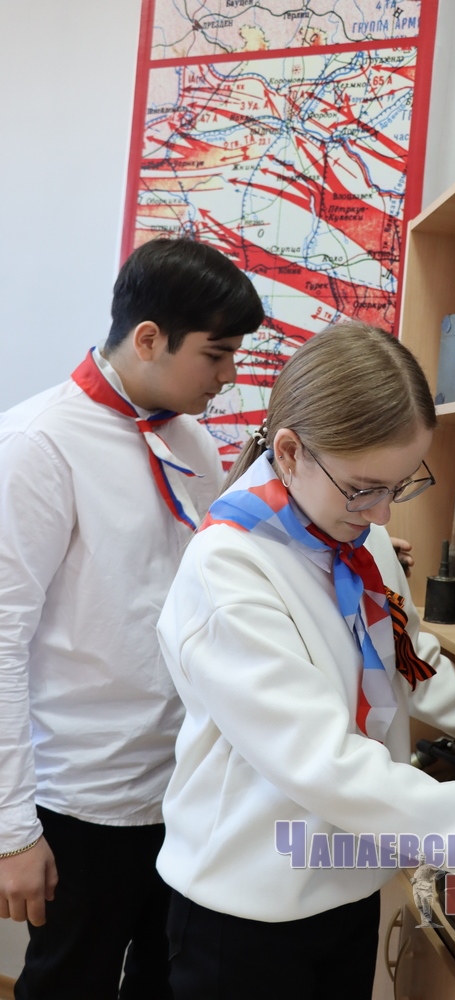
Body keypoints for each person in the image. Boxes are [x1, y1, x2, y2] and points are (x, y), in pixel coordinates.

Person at [154, 321, 455, 1000]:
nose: (381, 515)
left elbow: (411, 666)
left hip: (347, 887)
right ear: (290, 452)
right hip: (248, 911)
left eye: (399, 487)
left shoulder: (355, 540)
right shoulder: (228, 567)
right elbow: (323, 763)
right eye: (364, 487)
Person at [0, 236, 264, 999]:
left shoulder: (191, 442)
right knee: (68, 986)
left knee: (166, 981)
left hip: (183, 787)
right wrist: (12, 833)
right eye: (216, 355)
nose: (229, 375)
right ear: (148, 339)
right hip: (81, 800)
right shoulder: (37, 446)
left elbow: (213, 573)